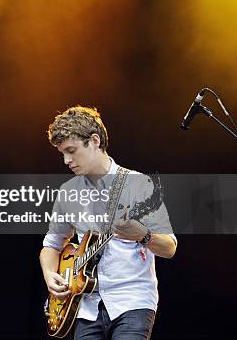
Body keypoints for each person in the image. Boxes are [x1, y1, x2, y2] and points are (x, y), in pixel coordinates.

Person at [40, 106, 177, 340]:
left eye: (71, 151)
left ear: (94, 141)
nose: (66, 160)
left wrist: (142, 235)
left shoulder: (138, 185)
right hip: (85, 306)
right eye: (62, 153)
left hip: (132, 301)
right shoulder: (68, 192)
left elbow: (170, 247)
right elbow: (52, 245)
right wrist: (49, 273)